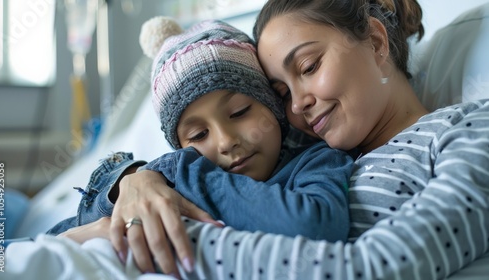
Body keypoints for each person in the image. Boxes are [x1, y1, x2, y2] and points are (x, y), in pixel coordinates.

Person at [51, 0, 489, 279]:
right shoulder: (293, 156)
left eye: (309, 66)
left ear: (375, 42)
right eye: (280, 93)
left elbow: (381, 267)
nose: (297, 105)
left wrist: (151, 232)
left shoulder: (465, 130)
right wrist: (135, 180)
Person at [50, 16, 353, 274]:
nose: (226, 142)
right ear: (179, 143)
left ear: (272, 104)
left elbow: (316, 224)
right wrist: (132, 182)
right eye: (197, 135)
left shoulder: (316, 161)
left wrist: (179, 171)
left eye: (239, 113)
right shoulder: (159, 185)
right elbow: (47, 242)